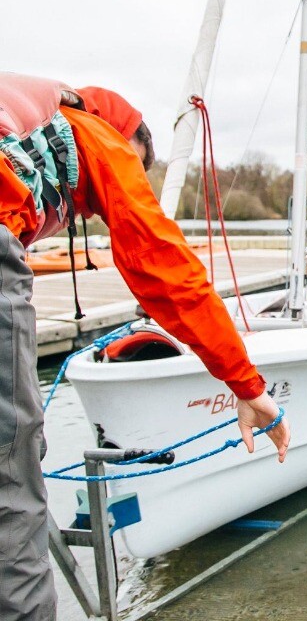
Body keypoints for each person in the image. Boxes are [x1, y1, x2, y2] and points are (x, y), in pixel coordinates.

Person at [0, 76, 290, 621]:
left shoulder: (29, 113)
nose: (91, 214)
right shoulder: (96, 135)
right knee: (10, 482)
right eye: (134, 168)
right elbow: (168, 273)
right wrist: (247, 385)